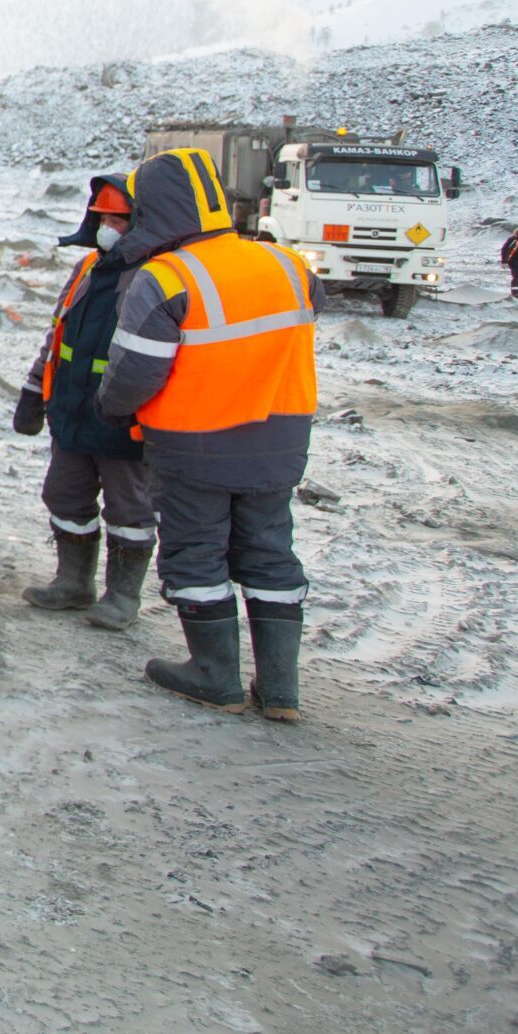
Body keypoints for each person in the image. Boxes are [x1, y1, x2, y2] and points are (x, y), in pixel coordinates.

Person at [98, 147, 328, 720]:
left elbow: (133, 372)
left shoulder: (166, 277)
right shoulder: (287, 262)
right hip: (280, 439)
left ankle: (214, 674)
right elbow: (307, 311)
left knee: (198, 553)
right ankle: (280, 691)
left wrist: (110, 409)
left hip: (193, 442)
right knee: (271, 552)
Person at [12, 175, 156, 630]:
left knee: (129, 512)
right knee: (64, 496)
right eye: (103, 218)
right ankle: (73, 583)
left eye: (118, 219)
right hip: (72, 413)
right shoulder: (87, 270)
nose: (108, 227)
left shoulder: (154, 277)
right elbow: (57, 336)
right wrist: (35, 391)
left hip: (124, 422)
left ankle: (123, 597)